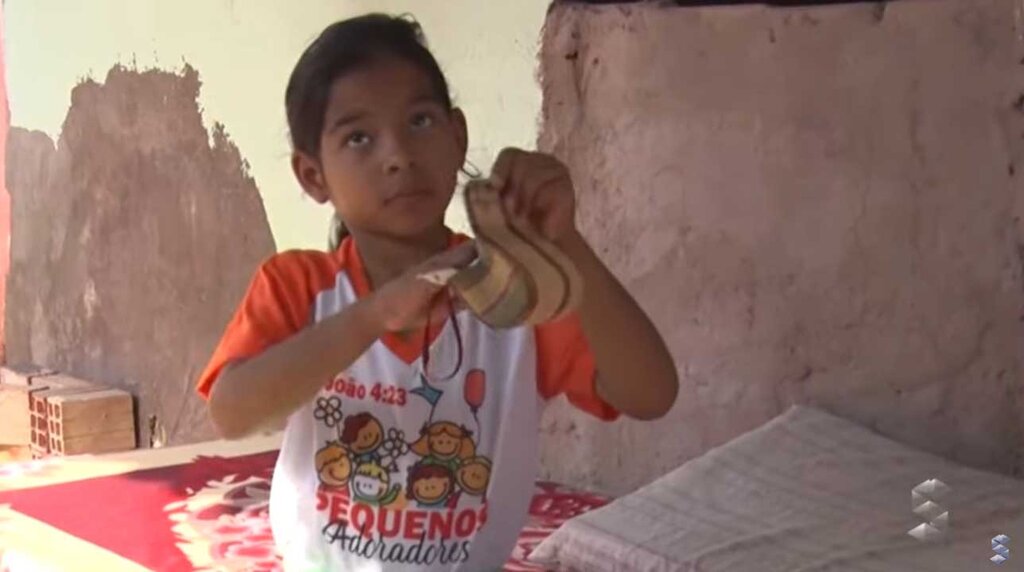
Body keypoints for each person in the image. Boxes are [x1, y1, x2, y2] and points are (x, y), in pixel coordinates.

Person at [195, 13, 678, 571]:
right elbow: (231, 413)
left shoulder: (514, 293)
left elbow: (651, 393)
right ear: (313, 176)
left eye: (420, 121)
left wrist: (565, 243)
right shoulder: (299, 287)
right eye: (359, 137)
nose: (398, 154)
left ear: (458, 136)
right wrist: (373, 314)